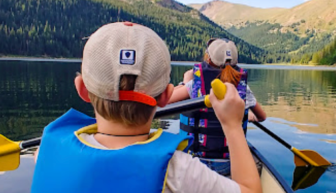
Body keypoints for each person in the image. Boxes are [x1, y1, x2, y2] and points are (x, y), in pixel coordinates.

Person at [31, 22, 261, 193]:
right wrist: (232, 125)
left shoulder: (46, 150)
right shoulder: (178, 171)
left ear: (82, 90)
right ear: (165, 95)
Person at [168, 38, 266, 175]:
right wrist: (245, 115)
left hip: (196, 162)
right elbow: (262, 117)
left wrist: (185, 82)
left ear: (208, 59)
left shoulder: (194, 85)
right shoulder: (243, 89)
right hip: (227, 164)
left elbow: (166, 101)